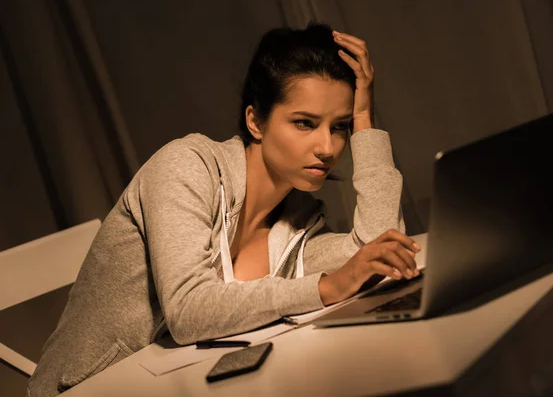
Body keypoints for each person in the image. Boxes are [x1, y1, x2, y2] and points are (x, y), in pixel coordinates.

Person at [27, 23, 420, 396]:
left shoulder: (296, 221)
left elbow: (380, 250)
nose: (327, 147)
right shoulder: (185, 167)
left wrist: (365, 118)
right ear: (255, 122)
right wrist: (326, 287)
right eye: (304, 123)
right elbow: (188, 312)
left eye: (340, 127)